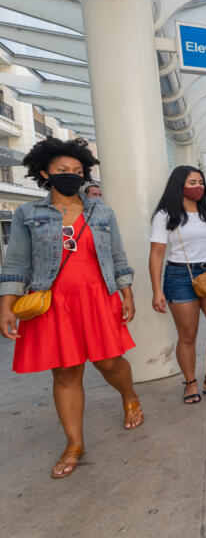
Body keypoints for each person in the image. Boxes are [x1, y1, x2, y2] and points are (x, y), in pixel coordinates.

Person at [0, 138, 142, 479]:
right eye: (63, 171)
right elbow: (16, 262)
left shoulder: (101, 211)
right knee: (65, 371)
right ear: (45, 172)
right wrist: (7, 305)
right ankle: (74, 444)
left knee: (109, 361)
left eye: (78, 171)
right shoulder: (27, 213)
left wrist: (127, 293)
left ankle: (129, 395)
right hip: (51, 302)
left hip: (97, 297)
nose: (71, 176)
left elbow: (118, 256)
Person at [149, 165, 206, 405]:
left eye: (200, 182)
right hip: (179, 277)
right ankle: (190, 382)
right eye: (192, 183)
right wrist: (157, 290)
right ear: (179, 185)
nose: (198, 187)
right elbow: (157, 254)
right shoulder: (165, 215)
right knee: (188, 335)